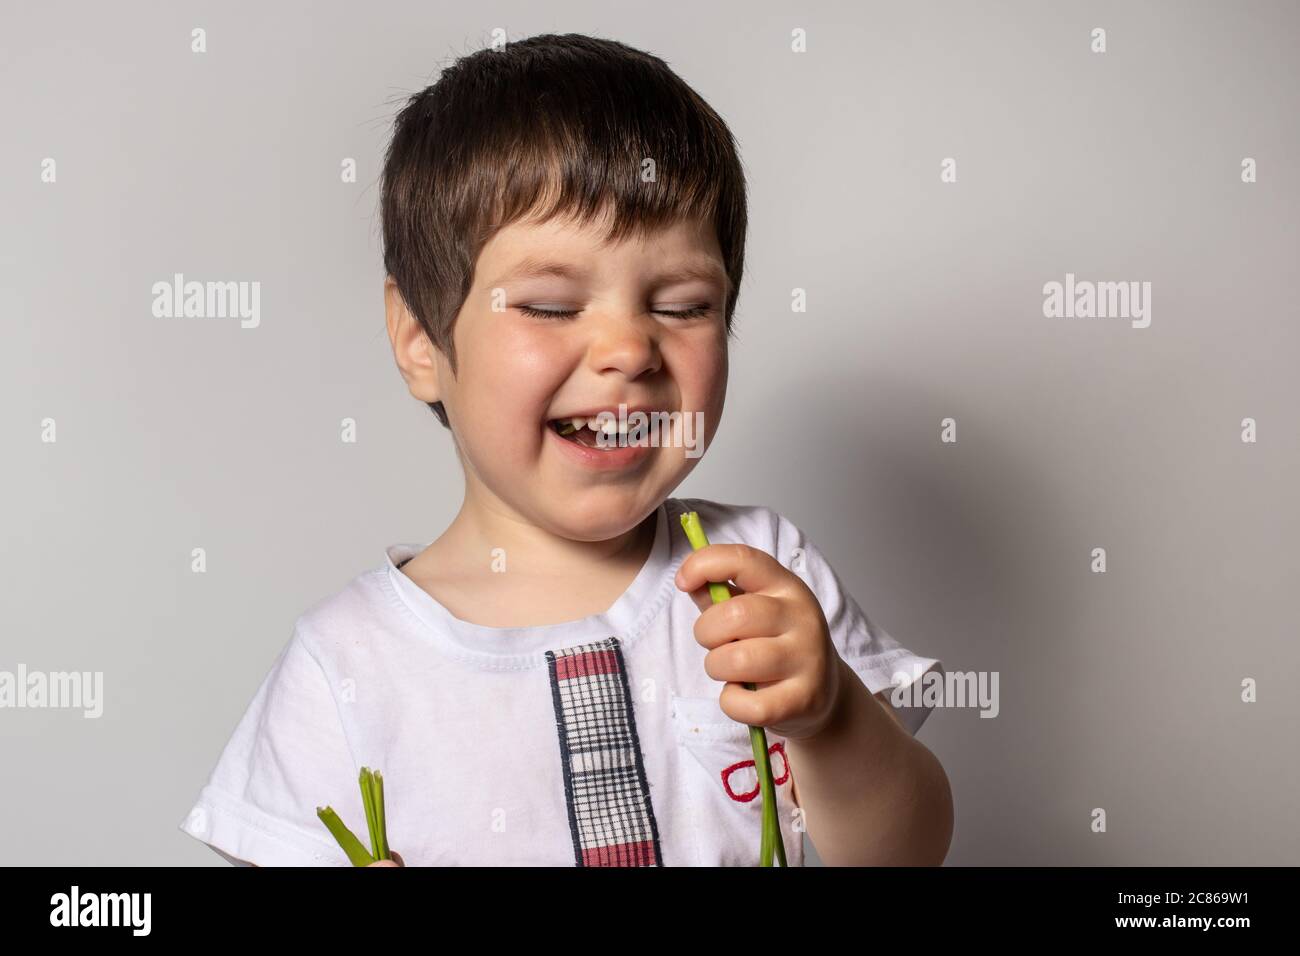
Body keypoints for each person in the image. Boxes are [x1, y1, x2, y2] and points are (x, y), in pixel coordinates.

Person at [178, 32, 952, 867]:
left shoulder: (761, 567)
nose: (629, 348)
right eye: (550, 306)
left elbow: (902, 854)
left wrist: (830, 716)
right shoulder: (347, 664)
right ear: (419, 342)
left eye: (686, 305)